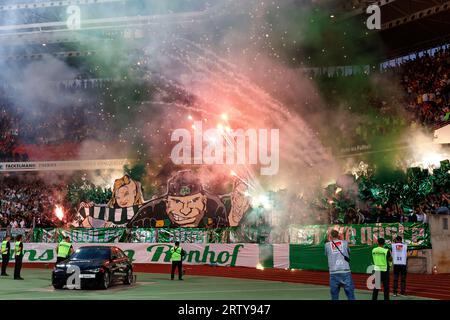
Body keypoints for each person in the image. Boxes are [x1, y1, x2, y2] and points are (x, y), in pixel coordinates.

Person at [324, 230, 355, 300]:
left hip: (333, 272)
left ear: (330, 236)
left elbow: (326, 254)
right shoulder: (345, 243)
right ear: (338, 235)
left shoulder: (327, 245)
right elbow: (349, 252)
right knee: (350, 294)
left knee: (334, 295)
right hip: (345, 271)